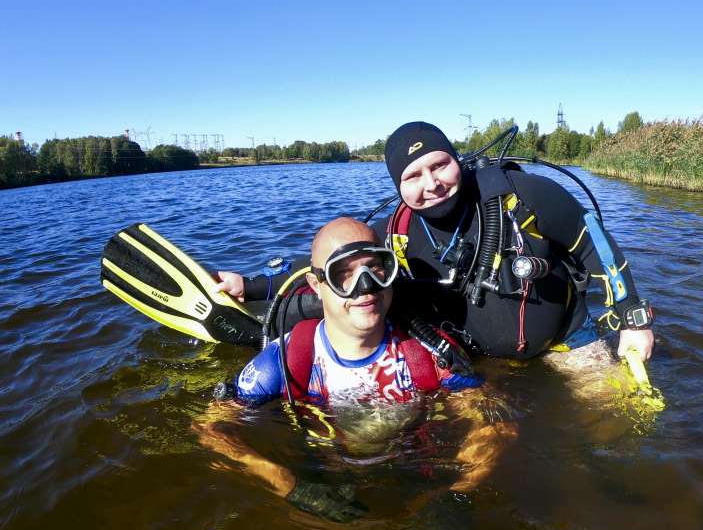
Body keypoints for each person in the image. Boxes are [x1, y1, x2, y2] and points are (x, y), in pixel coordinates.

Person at [217, 122, 654, 365]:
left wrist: (630, 315)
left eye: (440, 165)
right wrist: (253, 287)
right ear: (398, 184)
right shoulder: (397, 231)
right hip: (473, 361)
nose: (431, 184)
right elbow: (334, 269)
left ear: (456, 161)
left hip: (565, 341)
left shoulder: (524, 195)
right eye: (413, 176)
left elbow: (594, 242)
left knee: (613, 430)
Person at [197, 217, 516, 529]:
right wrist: (287, 483)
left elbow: (495, 423)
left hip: (417, 479)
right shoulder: (286, 359)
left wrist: (458, 491)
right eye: (342, 274)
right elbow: (211, 427)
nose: (365, 287)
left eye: (376, 268)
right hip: (322, 476)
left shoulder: (428, 353)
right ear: (317, 286)